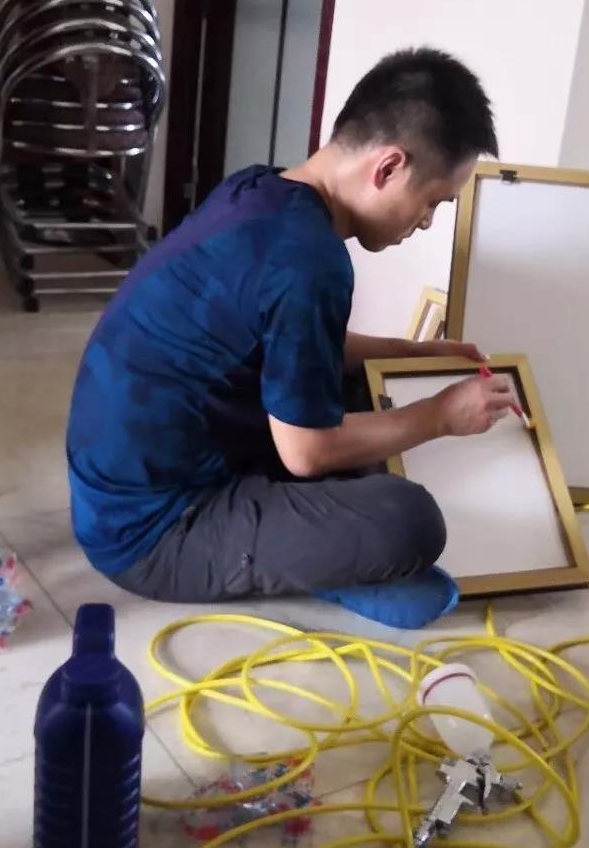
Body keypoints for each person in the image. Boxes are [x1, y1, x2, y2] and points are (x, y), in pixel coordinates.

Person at [67, 47, 517, 604]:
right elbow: (307, 453)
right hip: (157, 531)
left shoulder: (259, 189)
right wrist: (441, 415)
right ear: (388, 168)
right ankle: (310, 557)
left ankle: (311, 539)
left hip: (120, 486)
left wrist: (406, 351)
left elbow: (288, 339)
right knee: (410, 521)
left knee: (360, 390)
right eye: (432, 203)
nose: (425, 222)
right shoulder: (311, 261)